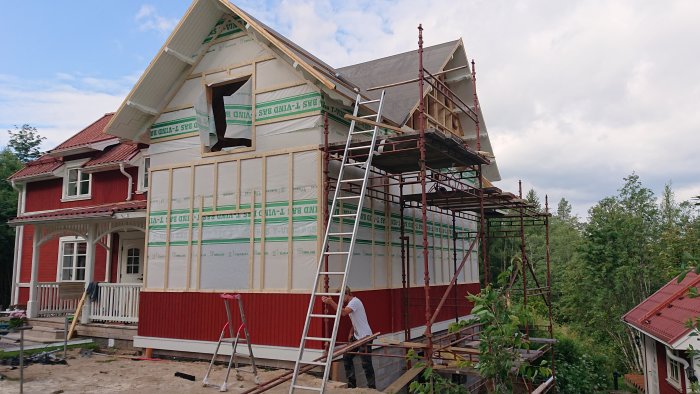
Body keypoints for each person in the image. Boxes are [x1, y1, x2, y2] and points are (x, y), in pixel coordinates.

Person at [322, 286, 376, 389]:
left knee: (366, 363)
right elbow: (356, 320)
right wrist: (351, 332)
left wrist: (331, 302)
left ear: (347, 294)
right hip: (357, 336)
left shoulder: (355, 302)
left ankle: (372, 388)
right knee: (347, 357)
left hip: (365, 337)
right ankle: (352, 385)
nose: (341, 300)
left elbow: (343, 313)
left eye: (342, 297)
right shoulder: (351, 303)